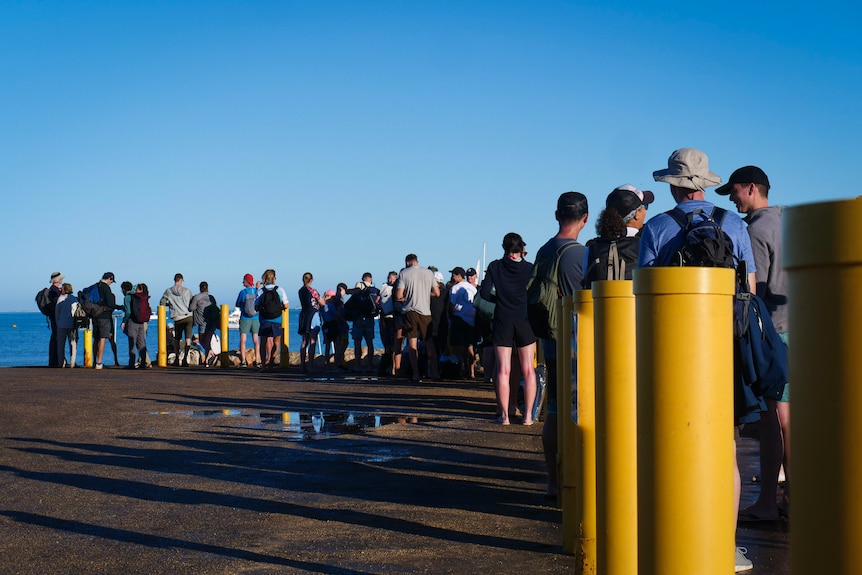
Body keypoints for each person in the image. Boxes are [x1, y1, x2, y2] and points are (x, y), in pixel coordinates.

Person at [639, 148, 757, 573]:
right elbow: (751, 292)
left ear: (673, 185)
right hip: (724, 349)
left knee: (671, 443)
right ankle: (724, 546)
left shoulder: (655, 227)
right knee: (726, 448)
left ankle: (675, 540)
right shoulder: (734, 225)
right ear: (704, 183)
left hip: (671, 354)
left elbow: (644, 297)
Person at [718, 165, 791, 522]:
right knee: (786, 418)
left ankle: (767, 503)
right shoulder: (785, 224)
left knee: (772, 420)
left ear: (750, 188)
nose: (732, 198)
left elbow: (753, 294)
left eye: (734, 191)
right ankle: (792, 497)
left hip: (772, 335)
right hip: (794, 329)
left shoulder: (756, 230)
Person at [534, 191, 590, 497]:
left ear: (557, 216)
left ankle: (553, 483)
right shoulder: (578, 253)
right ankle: (574, 478)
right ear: (585, 218)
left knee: (554, 409)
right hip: (574, 341)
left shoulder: (544, 250)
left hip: (548, 339)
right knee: (576, 411)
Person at [480, 233, 537, 425]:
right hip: (524, 318)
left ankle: (504, 416)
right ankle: (528, 416)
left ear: (503, 247)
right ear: (521, 247)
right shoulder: (529, 268)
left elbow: (485, 293)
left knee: (503, 370)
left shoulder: (495, 266)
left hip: (502, 318)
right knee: (528, 369)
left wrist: (500, 300)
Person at [581, 184, 653, 288]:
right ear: (636, 214)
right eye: (645, 207)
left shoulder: (591, 249)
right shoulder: (645, 245)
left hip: (598, 304)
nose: (646, 211)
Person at [395, 254, 440, 382]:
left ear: (408, 262)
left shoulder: (404, 273)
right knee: (429, 342)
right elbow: (437, 293)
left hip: (410, 311)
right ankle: (434, 372)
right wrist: (425, 294)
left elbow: (398, 295)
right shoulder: (428, 273)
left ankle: (416, 374)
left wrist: (407, 297)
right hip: (425, 311)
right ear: (417, 261)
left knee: (412, 344)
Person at [347, 273, 380, 373]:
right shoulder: (375, 289)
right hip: (370, 318)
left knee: (357, 342)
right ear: (371, 279)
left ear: (363, 278)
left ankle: (357, 366)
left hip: (359, 318)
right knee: (370, 343)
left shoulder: (360, 284)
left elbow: (355, 291)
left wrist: (347, 291)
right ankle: (369, 366)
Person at [256, 269, 289, 370]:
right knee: (276, 342)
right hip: (277, 319)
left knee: (263, 342)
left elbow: (256, 306)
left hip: (264, 319)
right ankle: (271, 362)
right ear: (274, 278)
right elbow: (286, 305)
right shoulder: (280, 290)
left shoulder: (261, 291)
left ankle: (263, 365)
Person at [448, 266, 478, 378]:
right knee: (470, 346)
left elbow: (451, 305)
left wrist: (450, 316)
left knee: (459, 346)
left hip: (459, 318)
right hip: (471, 319)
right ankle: (472, 371)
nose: (452, 277)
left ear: (459, 275)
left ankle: (461, 368)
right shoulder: (472, 288)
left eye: (454, 275)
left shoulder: (455, 288)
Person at [160, 273, 193, 366]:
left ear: (174, 280)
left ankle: (177, 359)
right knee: (188, 339)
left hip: (177, 317)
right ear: (181, 280)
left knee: (177, 339)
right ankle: (185, 360)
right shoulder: (187, 291)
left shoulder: (168, 291)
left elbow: (162, 302)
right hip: (188, 316)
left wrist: (170, 305)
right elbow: (192, 303)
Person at [92, 272, 119, 370]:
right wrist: (118, 306)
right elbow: (110, 304)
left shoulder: (96, 286)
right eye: (111, 281)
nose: (111, 283)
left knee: (96, 339)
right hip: (105, 316)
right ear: (109, 278)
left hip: (95, 315)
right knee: (103, 338)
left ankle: (94, 361)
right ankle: (99, 362)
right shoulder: (106, 288)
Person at [235, 273, 262, 368]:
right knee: (256, 340)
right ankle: (258, 360)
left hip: (245, 318)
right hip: (255, 318)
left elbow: (237, 304)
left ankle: (243, 361)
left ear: (247, 281)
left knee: (243, 340)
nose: (243, 282)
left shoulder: (243, 292)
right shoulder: (256, 291)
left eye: (244, 280)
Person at [125, 283, 152, 369]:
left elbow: (128, 311)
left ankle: (131, 363)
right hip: (142, 322)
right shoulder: (144, 297)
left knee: (132, 343)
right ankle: (143, 363)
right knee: (141, 343)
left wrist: (124, 321)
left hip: (133, 321)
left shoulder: (131, 297)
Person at [298, 272, 321, 372]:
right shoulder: (312, 291)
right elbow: (321, 302)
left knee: (304, 341)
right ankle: (310, 365)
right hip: (313, 315)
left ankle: (303, 364)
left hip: (304, 315)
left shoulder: (301, 291)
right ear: (311, 280)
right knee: (312, 340)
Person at [378, 271, 399, 376]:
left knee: (394, 343)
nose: (390, 280)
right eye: (389, 278)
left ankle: (394, 368)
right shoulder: (384, 287)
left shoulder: (398, 288)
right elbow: (378, 300)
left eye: (393, 278)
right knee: (387, 343)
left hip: (393, 317)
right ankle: (386, 367)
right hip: (384, 317)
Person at [190, 281, 219, 355]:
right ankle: (208, 359)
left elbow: (192, 308)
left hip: (202, 321)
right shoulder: (211, 297)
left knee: (202, 340)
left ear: (200, 288)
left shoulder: (197, 297)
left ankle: (210, 352)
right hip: (212, 322)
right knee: (208, 341)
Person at [55, 282, 79, 368]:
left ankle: (61, 362)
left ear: (65, 289)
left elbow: (57, 313)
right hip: (72, 324)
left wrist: (57, 322)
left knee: (61, 344)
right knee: (73, 343)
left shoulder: (60, 299)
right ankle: (73, 362)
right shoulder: (75, 299)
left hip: (61, 323)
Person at [46, 272, 65, 367]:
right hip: (56, 317)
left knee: (55, 337)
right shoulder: (54, 291)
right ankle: (55, 360)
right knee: (57, 337)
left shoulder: (52, 290)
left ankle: (54, 360)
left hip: (53, 316)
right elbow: (57, 303)